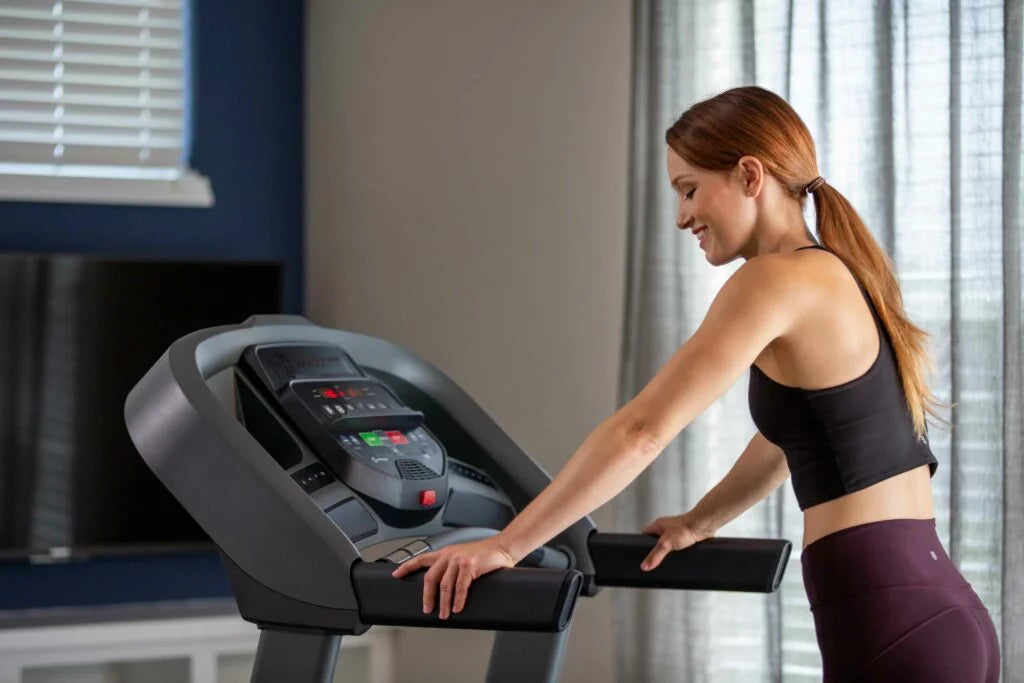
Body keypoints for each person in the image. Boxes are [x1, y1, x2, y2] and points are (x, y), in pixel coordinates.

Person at [391, 86, 1000, 682]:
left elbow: (642, 431)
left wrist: (507, 545)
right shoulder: (840, 274)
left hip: (891, 622)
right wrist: (700, 522)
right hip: (939, 612)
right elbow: (794, 441)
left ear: (750, 175)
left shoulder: (774, 280)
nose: (682, 216)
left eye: (689, 190)